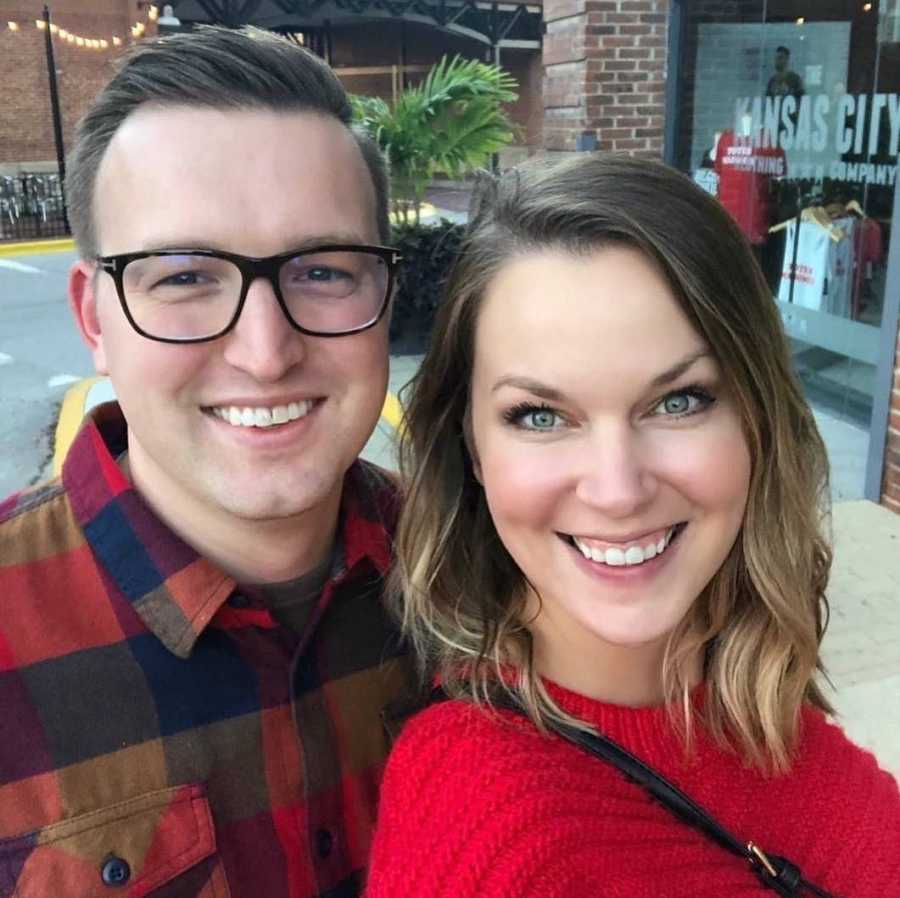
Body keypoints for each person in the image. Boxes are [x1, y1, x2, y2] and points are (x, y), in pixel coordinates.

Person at [364, 155, 900, 897]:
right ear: (473, 449)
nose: (617, 491)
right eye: (541, 416)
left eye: (678, 401)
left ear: (756, 418)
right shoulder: (480, 820)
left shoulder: (756, 698)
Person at [0, 26, 415, 897]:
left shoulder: (484, 575)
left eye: (325, 271)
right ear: (94, 318)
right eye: (185, 277)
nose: (266, 352)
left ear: (384, 298)